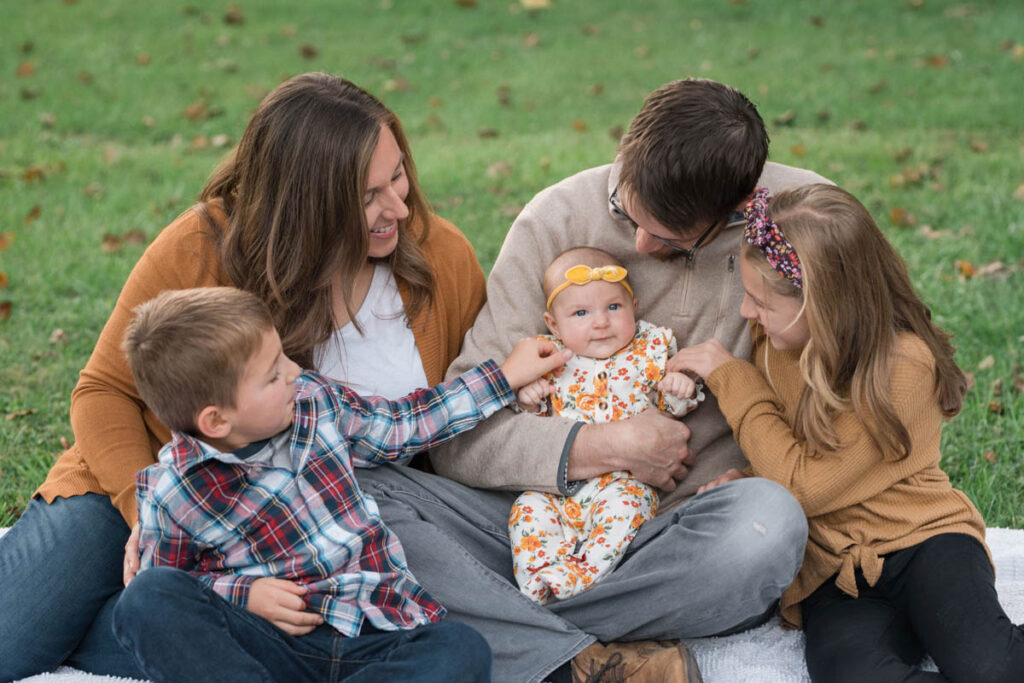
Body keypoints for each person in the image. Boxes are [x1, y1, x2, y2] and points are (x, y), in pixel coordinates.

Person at [0, 72, 487, 681]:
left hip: (308, 530)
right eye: (367, 196)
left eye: (397, 176)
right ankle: (166, 617)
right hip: (161, 490)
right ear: (307, 203)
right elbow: (104, 390)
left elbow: (434, 417)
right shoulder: (203, 245)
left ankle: (211, 635)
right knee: (11, 640)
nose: (398, 206)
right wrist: (144, 515)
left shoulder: (440, 258)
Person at [353, 78, 828, 682]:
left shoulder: (807, 227)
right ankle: (584, 659)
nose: (636, 244)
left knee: (770, 526)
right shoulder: (552, 221)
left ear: (738, 209)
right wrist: (595, 447)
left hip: (674, 540)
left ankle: (508, 628)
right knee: (360, 489)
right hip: (526, 528)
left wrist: (761, 472)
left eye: (669, 237)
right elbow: (458, 436)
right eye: (627, 212)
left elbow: (849, 413)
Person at [113, 286, 568, 682]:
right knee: (145, 601)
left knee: (459, 650)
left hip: (375, 638)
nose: (293, 372)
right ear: (216, 420)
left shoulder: (315, 402)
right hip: (273, 650)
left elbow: (402, 424)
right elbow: (178, 589)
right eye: (273, 375)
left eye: (284, 359)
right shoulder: (173, 491)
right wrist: (241, 594)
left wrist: (503, 378)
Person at [672, 184, 1024, 683]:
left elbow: (806, 485)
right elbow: (809, 447)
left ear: (824, 304)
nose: (747, 314)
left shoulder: (904, 368)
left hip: (925, 543)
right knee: (852, 674)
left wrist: (735, 381)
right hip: (835, 570)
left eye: (760, 302)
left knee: (992, 667)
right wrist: (750, 479)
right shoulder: (776, 340)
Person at [510, 247, 702, 605]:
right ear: (553, 324)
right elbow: (533, 427)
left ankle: (576, 578)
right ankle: (537, 586)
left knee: (626, 513)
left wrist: (679, 390)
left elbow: (667, 414)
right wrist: (529, 399)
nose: (600, 322)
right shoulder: (547, 358)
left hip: (623, 482)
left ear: (634, 306)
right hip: (556, 486)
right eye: (581, 313)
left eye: (614, 308)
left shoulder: (649, 349)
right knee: (526, 510)